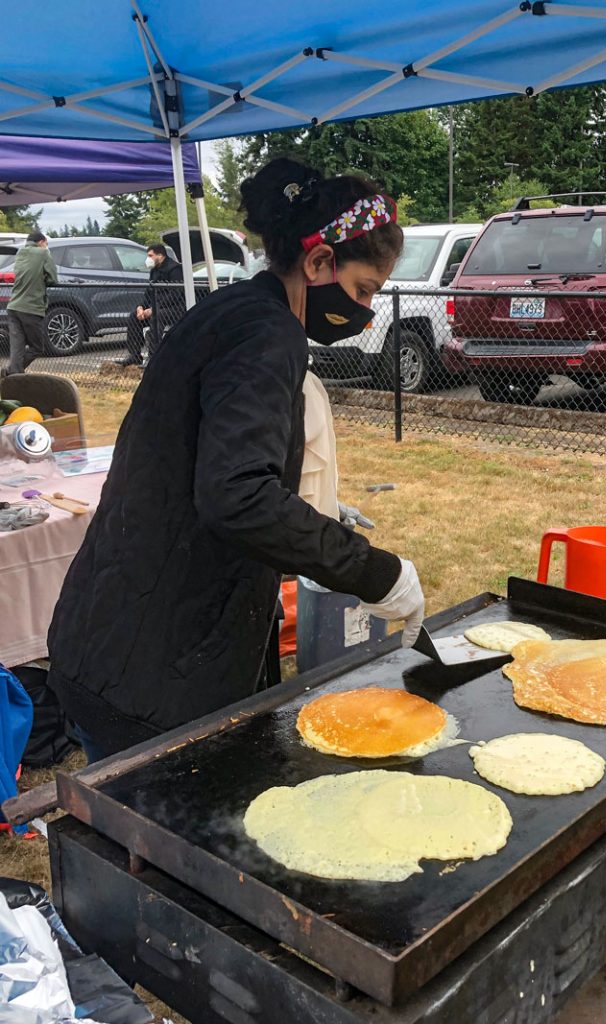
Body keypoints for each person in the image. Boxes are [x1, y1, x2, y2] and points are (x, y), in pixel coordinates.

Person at [47, 158, 425, 763]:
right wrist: (377, 573)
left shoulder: (231, 312)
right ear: (320, 261)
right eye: (362, 290)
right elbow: (238, 495)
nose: (364, 311)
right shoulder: (265, 334)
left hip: (117, 630)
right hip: (151, 665)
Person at [115, 243, 183, 367]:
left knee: (157, 317)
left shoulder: (175, 269)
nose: (148, 259)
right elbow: (149, 293)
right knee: (133, 317)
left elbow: (176, 294)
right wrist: (141, 307)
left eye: (151, 255)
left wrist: (154, 309)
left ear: (160, 255)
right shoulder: (154, 271)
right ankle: (135, 356)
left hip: (175, 309)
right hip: (156, 308)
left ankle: (154, 357)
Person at [3, 231, 57, 377]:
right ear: (42, 241)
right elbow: (53, 278)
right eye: (46, 243)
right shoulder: (43, 253)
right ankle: (12, 372)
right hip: (31, 308)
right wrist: (46, 253)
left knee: (17, 347)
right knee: (37, 347)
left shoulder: (20, 253)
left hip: (13, 306)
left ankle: (13, 374)